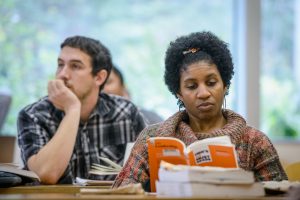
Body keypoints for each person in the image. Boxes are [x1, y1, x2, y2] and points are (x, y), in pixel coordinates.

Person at [112, 31, 288, 191]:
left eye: (211, 83)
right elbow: (121, 192)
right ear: (179, 93)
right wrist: (156, 184)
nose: (203, 93)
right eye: (191, 86)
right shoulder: (152, 139)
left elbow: (282, 194)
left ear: (225, 85)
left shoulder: (255, 142)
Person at [17, 36, 146, 184]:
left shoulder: (126, 112)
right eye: (60, 64)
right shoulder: (33, 115)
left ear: (99, 77)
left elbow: (150, 172)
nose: (62, 74)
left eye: (75, 66)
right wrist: (72, 109)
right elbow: (45, 174)